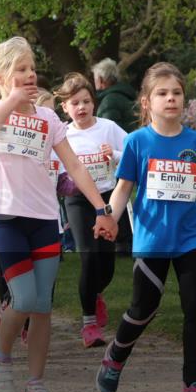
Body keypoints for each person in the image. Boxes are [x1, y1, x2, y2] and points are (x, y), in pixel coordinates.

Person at [0, 36, 117, 392]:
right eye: (20, 69)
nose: (29, 75)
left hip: (44, 221)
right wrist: (12, 99)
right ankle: (0, 357)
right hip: (8, 219)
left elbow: (74, 166)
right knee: (23, 298)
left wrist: (102, 208)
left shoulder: (49, 118)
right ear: (1, 76)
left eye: (32, 68)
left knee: (42, 307)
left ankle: (36, 385)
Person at [98, 62, 196, 392]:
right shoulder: (136, 142)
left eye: (176, 93)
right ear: (147, 101)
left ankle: (194, 384)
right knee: (143, 308)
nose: (170, 99)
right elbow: (122, 189)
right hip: (152, 241)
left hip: (189, 239)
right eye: (162, 93)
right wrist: (110, 217)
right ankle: (116, 354)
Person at [54, 73, 128, 348]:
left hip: (108, 197)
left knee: (106, 263)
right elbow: (56, 167)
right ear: (65, 107)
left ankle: (95, 293)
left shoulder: (108, 128)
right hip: (78, 200)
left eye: (86, 101)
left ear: (94, 103)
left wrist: (115, 155)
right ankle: (88, 324)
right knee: (88, 256)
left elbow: (133, 151)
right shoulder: (62, 134)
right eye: (75, 103)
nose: (81, 107)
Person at [92, 58, 138, 254]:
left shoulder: (109, 101)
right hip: (129, 153)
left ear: (101, 80)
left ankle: (120, 240)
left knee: (116, 196)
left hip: (116, 157)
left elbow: (104, 133)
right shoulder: (128, 97)